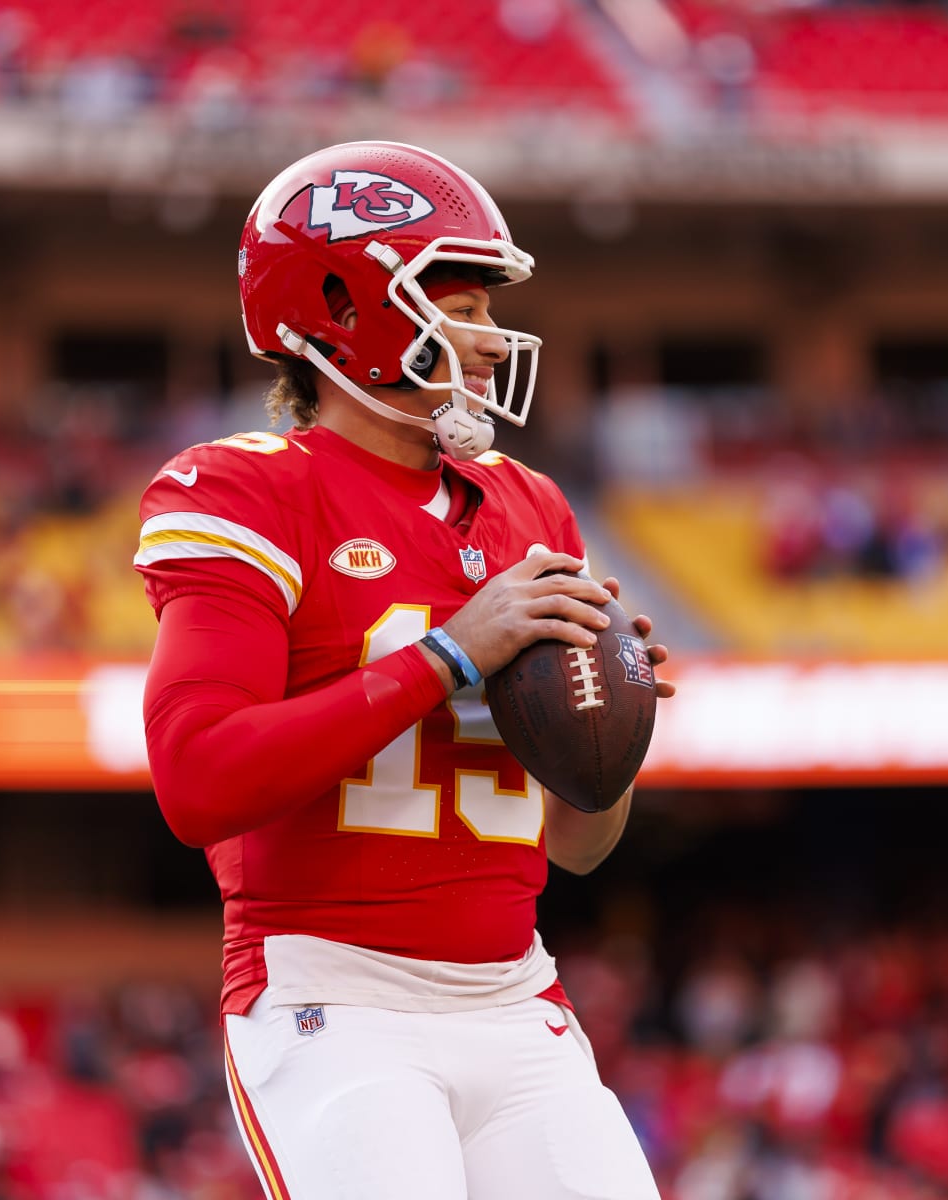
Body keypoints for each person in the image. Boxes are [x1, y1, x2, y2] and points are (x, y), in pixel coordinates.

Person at [134, 141, 673, 1199]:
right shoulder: (245, 492)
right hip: (335, 1003)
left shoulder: (529, 503)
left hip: (518, 1001)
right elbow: (198, 780)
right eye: (458, 305)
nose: (485, 340)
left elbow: (577, 850)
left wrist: (612, 737)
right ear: (343, 308)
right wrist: (449, 654)